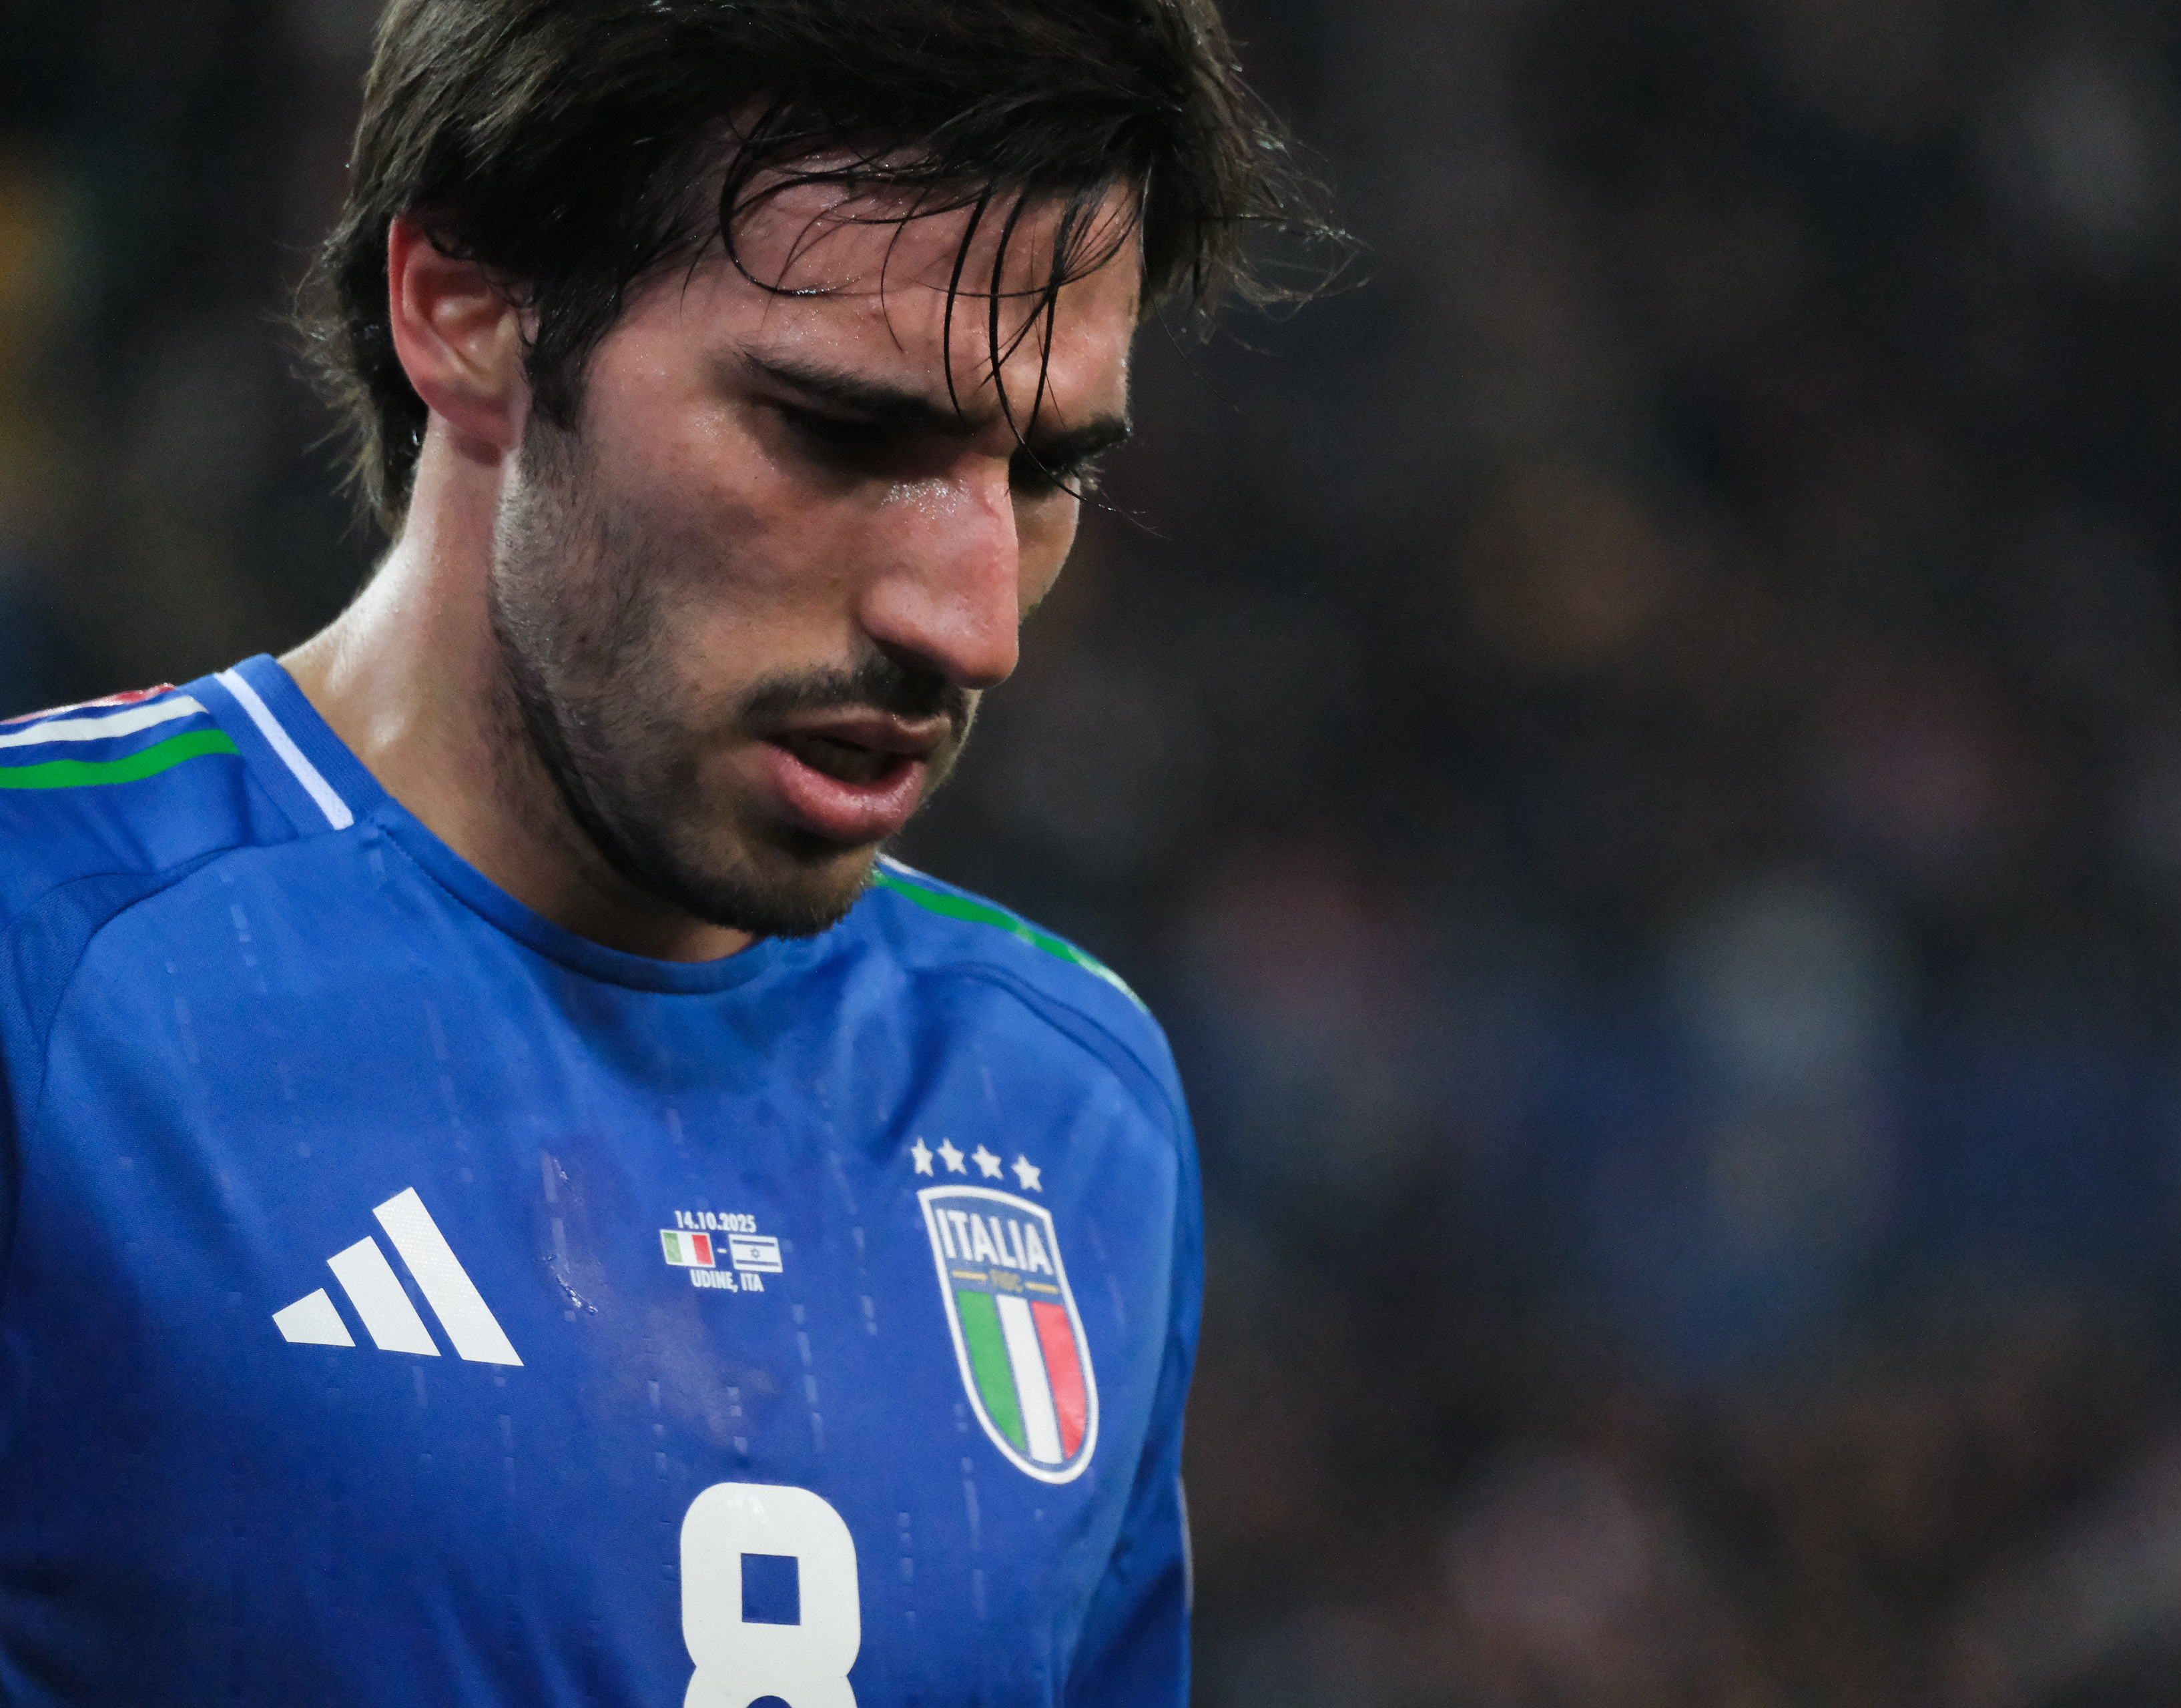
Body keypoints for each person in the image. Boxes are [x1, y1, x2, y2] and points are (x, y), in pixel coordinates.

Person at [0, 0, 1310, 1700]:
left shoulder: (1066, 1110)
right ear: (464, 314)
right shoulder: (51, 960)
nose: (972, 620)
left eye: (1040, 469)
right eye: (840, 431)